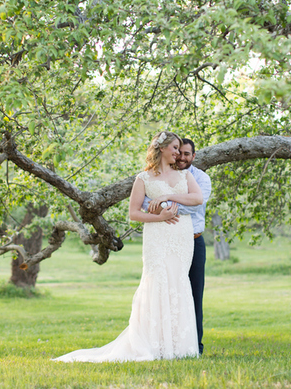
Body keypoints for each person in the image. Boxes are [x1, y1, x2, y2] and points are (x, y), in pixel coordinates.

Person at [53, 131, 203, 362]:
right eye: (174, 147)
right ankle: (154, 345)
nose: (177, 153)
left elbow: (197, 198)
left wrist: (168, 196)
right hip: (158, 235)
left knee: (178, 282)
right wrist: (160, 217)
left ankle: (179, 346)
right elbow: (134, 214)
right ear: (161, 148)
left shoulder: (184, 175)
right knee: (158, 281)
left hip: (181, 236)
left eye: (179, 148)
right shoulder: (143, 178)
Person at [144, 138, 210, 355]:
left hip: (193, 241)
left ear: (194, 156)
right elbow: (145, 204)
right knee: (166, 292)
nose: (181, 157)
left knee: (193, 293)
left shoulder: (201, 178)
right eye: (178, 152)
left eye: (186, 154)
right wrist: (163, 205)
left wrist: (163, 203)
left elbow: (194, 208)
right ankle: (166, 344)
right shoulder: (160, 175)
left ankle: (194, 346)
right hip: (165, 241)